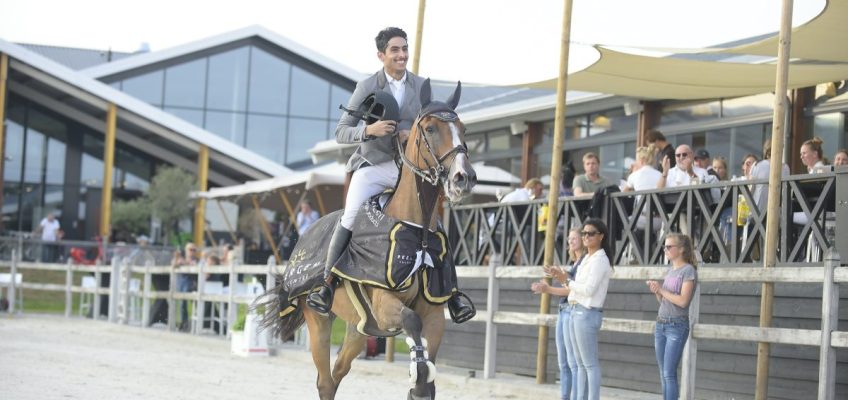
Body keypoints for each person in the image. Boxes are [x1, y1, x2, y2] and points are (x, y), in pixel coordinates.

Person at [306, 27, 473, 322]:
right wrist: (369, 130)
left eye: (404, 49)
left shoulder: (421, 86)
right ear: (381, 55)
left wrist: (413, 134)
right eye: (395, 50)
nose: (402, 55)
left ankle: (454, 294)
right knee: (349, 216)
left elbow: (430, 126)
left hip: (408, 168)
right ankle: (327, 285)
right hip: (374, 165)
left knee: (434, 221)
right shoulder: (367, 86)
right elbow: (341, 132)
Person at [532, 228, 586, 400]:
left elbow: (572, 291)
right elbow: (567, 287)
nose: (570, 241)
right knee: (563, 362)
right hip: (563, 311)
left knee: (573, 363)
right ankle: (565, 397)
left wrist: (547, 288)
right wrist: (559, 274)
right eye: (569, 238)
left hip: (572, 311)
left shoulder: (585, 263)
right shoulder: (575, 264)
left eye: (574, 238)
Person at [562, 218, 612, 400]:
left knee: (589, 364)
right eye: (584, 233)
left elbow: (588, 289)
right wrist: (565, 279)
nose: (586, 236)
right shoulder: (587, 258)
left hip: (587, 312)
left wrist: (566, 280)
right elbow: (578, 287)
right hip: (577, 310)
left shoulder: (600, 259)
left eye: (591, 233)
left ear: (601, 237)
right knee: (580, 364)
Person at [646, 233, 698, 400]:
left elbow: (683, 301)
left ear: (681, 249)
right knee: (664, 373)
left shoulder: (688, 271)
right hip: (661, 324)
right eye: (664, 247)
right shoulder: (671, 271)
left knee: (669, 373)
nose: (665, 250)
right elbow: (664, 301)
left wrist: (661, 290)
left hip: (676, 325)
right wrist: (657, 291)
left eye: (669, 247)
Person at [173, 243, 199, 331]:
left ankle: (187, 323)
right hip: (182, 284)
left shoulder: (197, 260)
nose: (192, 252)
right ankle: (184, 323)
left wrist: (185, 262)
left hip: (192, 285)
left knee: (184, 297)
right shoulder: (181, 259)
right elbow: (173, 265)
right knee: (181, 302)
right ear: (186, 250)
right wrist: (176, 258)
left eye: (194, 250)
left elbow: (194, 267)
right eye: (190, 249)